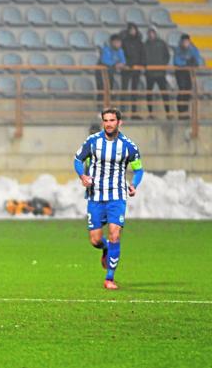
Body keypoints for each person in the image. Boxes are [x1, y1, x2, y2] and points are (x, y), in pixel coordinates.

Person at [73, 107, 144, 290]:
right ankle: (106, 248)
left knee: (115, 234)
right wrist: (83, 176)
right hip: (96, 196)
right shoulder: (93, 141)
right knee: (95, 240)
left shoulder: (128, 146)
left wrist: (134, 184)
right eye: (106, 120)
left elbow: (138, 169)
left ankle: (109, 278)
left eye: (112, 120)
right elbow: (77, 160)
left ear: (119, 122)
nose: (109, 124)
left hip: (117, 197)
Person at [173, 34, 204, 118]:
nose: (185, 43)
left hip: (189, 72)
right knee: (182, 90)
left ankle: (186, 111)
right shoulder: (178, 49)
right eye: (184, 41)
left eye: (187, 41)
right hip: (180, 72)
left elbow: (197, 60)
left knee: (188, 90)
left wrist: (193, 63)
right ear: (181, 42)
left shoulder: (193, 49)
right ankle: (181, 111)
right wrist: (186, 63)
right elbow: (176, 61)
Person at [144, 28, 171, 117]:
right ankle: (150, 113)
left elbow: (167, 56)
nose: (151, 34)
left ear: (155, 33)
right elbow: (142, 57)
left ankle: (168, 112)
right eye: (150, 33)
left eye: (153, 32)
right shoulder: (145, 44)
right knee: (149, 93)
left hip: (160, 73)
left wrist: (162, 65)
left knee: (164, 93)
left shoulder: (162, 43)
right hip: (149, 74)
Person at [120, 23, 146, 116]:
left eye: (134, 29)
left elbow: (142, 55)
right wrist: (128, 64)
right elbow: (122, 55)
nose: (133, 31)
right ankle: (122, 112)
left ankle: (134, 112)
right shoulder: (124, 42)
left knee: (135, 91)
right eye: (131, 29)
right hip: (126, 69)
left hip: (136, 69)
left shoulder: (139, 42)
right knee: (124, 90)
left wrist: (142, 65)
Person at [96, 34, 126, 108]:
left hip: (110, 73)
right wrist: (115, 64)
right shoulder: (106, 49)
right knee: (102, 90)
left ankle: (108, 108)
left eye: (119, 42)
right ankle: (100, 110)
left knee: (110, 90)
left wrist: (121, 64)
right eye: (117, 42)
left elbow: (123, 61)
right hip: (101, 73)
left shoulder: (120, 50)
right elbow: (105, 60)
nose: (119, 44)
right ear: (112, 42)